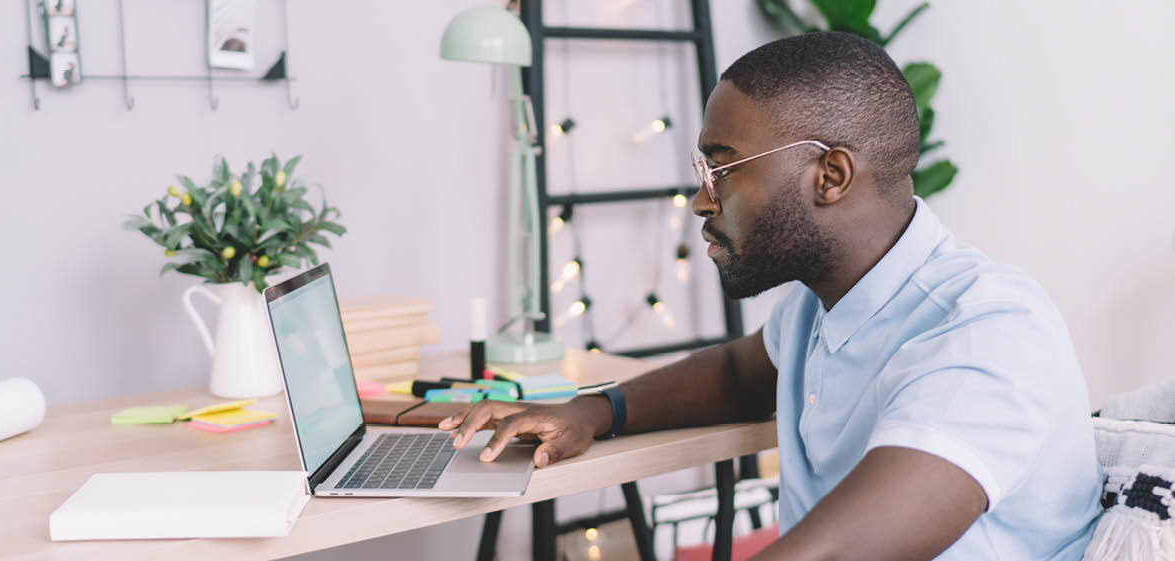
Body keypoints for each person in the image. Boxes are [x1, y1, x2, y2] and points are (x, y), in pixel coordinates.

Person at [439, 32, 1103, 560]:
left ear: (830, 175)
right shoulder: (822, 303)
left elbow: (838, 552)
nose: (701, 199)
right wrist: (592, 410)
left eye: (722, 168)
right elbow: (735, 371)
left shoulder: (988, 329)